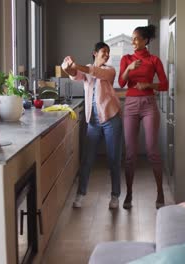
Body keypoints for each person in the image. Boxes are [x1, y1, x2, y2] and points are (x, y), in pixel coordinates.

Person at [62, 42, 123, 209]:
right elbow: (75, 74)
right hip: (93, 122)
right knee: (87, 160)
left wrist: (78, 67)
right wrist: (68, 66)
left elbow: (94, 72)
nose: (107, 55)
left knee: (113, 160)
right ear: (95, 53)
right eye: (104, 52)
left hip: (112, 120)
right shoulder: (86, 69)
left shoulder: (109, 70)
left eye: (108, 53)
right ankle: (81, 194)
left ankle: (115, 196)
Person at [118, 25, 168, 209]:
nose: (133, 42)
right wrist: (129, 68)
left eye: (137, 39)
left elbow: (164, 85)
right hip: (130, 105)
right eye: (132, 38)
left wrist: (148, 85)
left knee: (152, 150)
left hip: (149, 105)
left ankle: (160, 192)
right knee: (130, 153)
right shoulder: (126, 59)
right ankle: (129, 194)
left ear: (146, 40)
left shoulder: (154, 60)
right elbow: (122, 82)